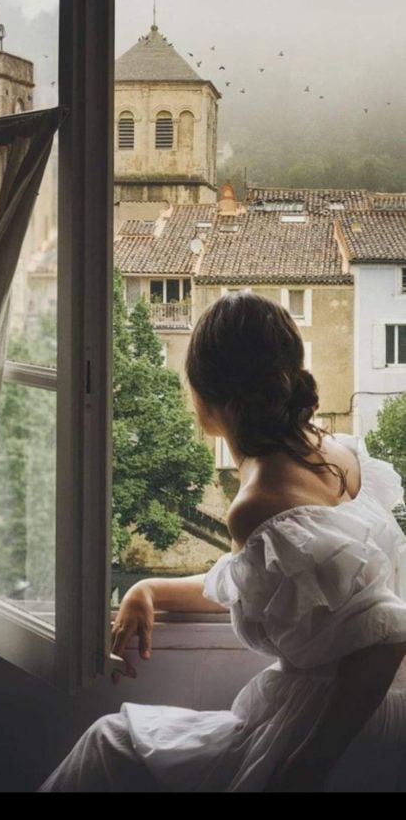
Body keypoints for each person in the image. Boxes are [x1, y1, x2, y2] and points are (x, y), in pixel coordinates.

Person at [39, 291, 406, 792]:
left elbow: (388, 629)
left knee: (109, 743)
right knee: (114, 744)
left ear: (207, 396)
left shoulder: (260, 501)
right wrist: (150, 588)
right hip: (371, 713)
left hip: (335, 728)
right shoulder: (334, 451)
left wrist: (308, 765)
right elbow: (275, 584)